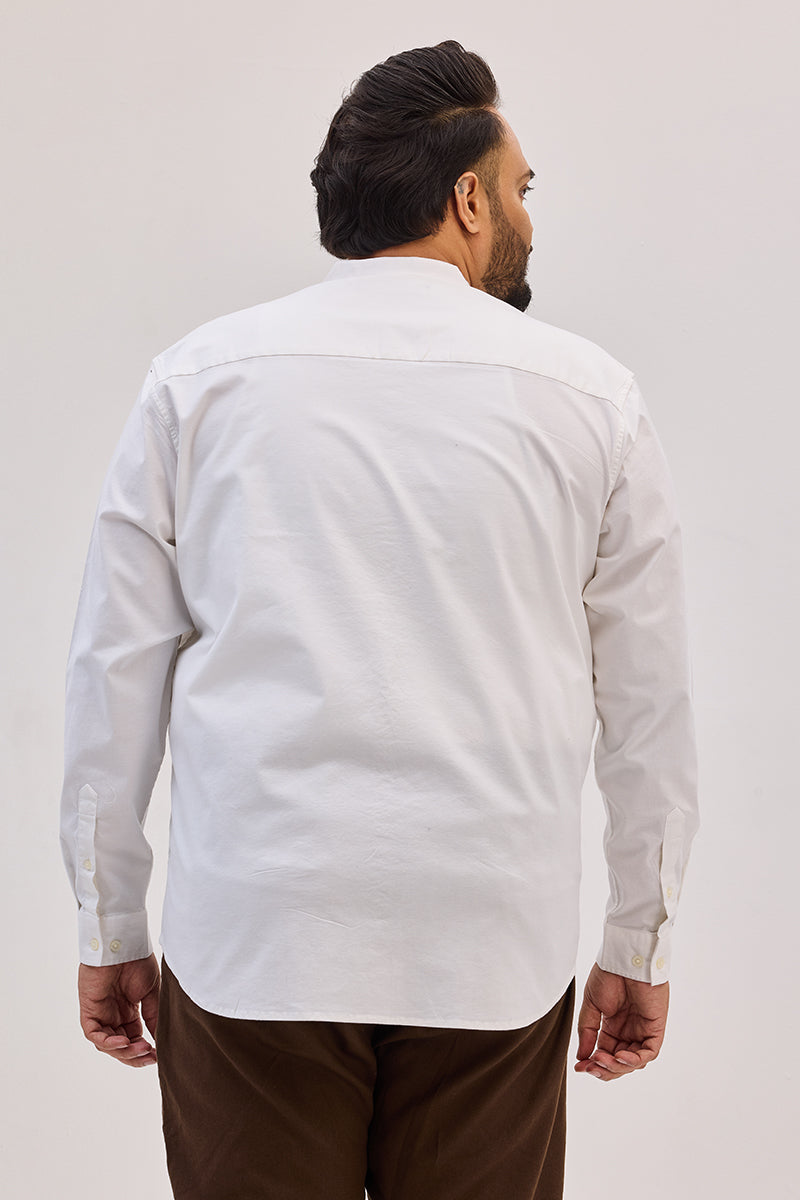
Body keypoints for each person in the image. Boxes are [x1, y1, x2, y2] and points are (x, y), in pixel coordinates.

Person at [60, 39, 699, 1200]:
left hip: (255, 937)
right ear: (467, 200)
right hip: (489, 945)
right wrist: (635, 937)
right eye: (518, 189)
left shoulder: (199, 383)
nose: (526, 218)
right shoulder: (589, 400)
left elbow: (114, 675)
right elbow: (645, 702)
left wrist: (109, 924)